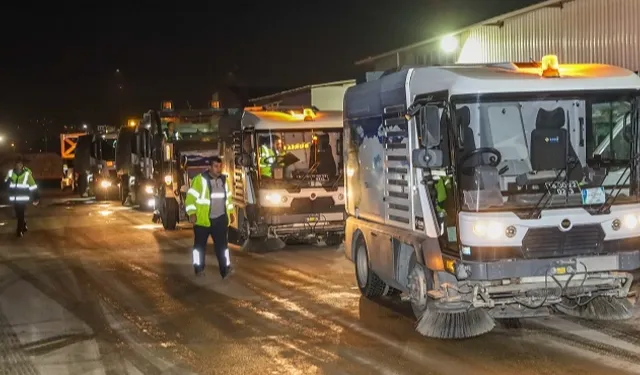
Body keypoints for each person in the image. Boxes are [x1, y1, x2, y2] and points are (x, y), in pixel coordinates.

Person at [185, 156, 234, 278]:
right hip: (203, 221)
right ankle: (198, 268)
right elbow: (190, 198)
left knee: (223, 248)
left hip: (220, 220)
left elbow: (228, 199)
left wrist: (231, 213)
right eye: (216, 166)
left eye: (220, 166)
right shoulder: (200, 180)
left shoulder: (224, 180)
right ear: (210, 167)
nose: (219, 169)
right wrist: (192, 213)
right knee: (199, 247)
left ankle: (225, 269)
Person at [4, 158, 39, 237]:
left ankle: (19, 231)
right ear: (15, 165)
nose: (18, 166)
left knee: (21, 214)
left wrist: (36, 197)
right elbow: (4, 183)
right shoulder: (10, 173)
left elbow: (33, 186)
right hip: (14, 198)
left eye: (20, 164)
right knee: (18, 215)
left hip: (23, 199)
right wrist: (7, 182)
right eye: (17, 164)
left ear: (22, 166)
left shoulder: (27, 174)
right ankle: (23, 224)